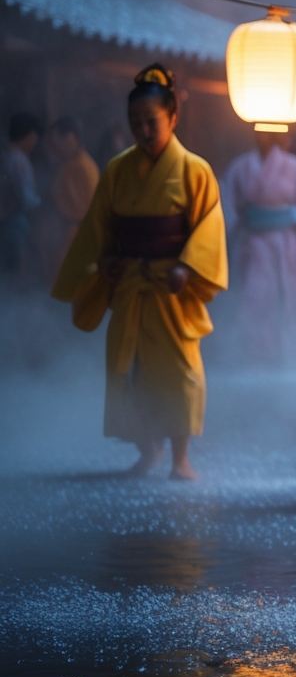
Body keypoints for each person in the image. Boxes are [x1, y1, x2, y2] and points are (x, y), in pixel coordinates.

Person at [50, 65, 226, 478]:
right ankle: (148, 450)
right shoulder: (116, 170)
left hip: (171, 286)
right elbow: (100, 227)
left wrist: (187, 266)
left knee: (180, 373)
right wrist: (105, 262)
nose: (143, 131)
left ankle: (180, 458)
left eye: (152, 122)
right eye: (135, 124)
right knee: (129, 372)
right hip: (130, 282)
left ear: (173, 118)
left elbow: (209, 228)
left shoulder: (194, 170)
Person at [221, 130, 296, 368]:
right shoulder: (240, 167)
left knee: (287, 301)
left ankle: (286, 359)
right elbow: (228, 210)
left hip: (286, 246)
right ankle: (252, 358)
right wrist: (227, 243)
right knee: (252, 300)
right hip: (252, 245)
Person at [36, 117, 98, 282]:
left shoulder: (83, 167)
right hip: (64, 232)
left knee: (67, 285)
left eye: (58, 140)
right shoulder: (68, 164)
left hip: (74, 235)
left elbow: (84, 209)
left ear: (71, 137)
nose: (55, 146)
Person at [1, 112, 39, 280]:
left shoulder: (6, 155)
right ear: (29, 135)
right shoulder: (19, 160)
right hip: (15, 219)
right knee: (18, 267)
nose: (35, 141)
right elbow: (26, 196)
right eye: (35, 137)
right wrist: (45, 203)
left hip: (6, 219)